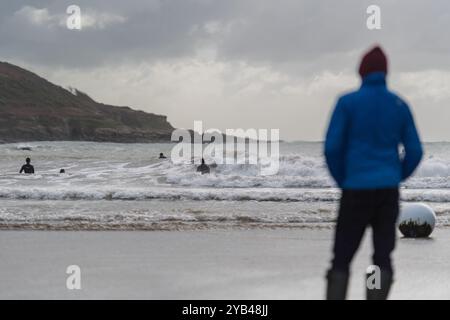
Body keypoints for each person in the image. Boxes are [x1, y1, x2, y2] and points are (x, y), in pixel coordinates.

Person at [324, 46, 423, 300]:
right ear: (385, 72)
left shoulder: (347, 103)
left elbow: (332, 148)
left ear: (362, 71)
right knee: (381, 256)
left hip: (355, 189)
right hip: (386, 192)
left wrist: (343, 179)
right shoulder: (398, 104)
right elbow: (415, 151)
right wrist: (395, 175)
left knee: (342, 256)